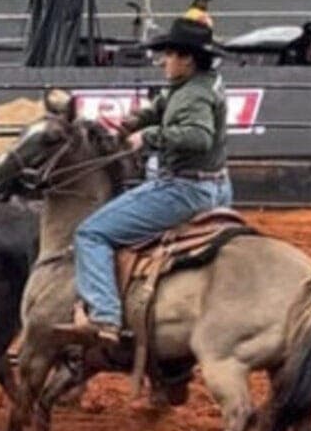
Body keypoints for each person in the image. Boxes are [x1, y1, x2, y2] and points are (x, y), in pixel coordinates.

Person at [63, 17, 232, 346]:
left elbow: (198, 137)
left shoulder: (192, 96)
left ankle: (104, 315)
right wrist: (135, 120)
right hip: (218, 188)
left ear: (187, 58)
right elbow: (165, 105)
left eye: (168, 55)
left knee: (90, 233)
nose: (162, 61)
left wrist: (148, 136)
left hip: (184, 190)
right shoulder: (204, 82)